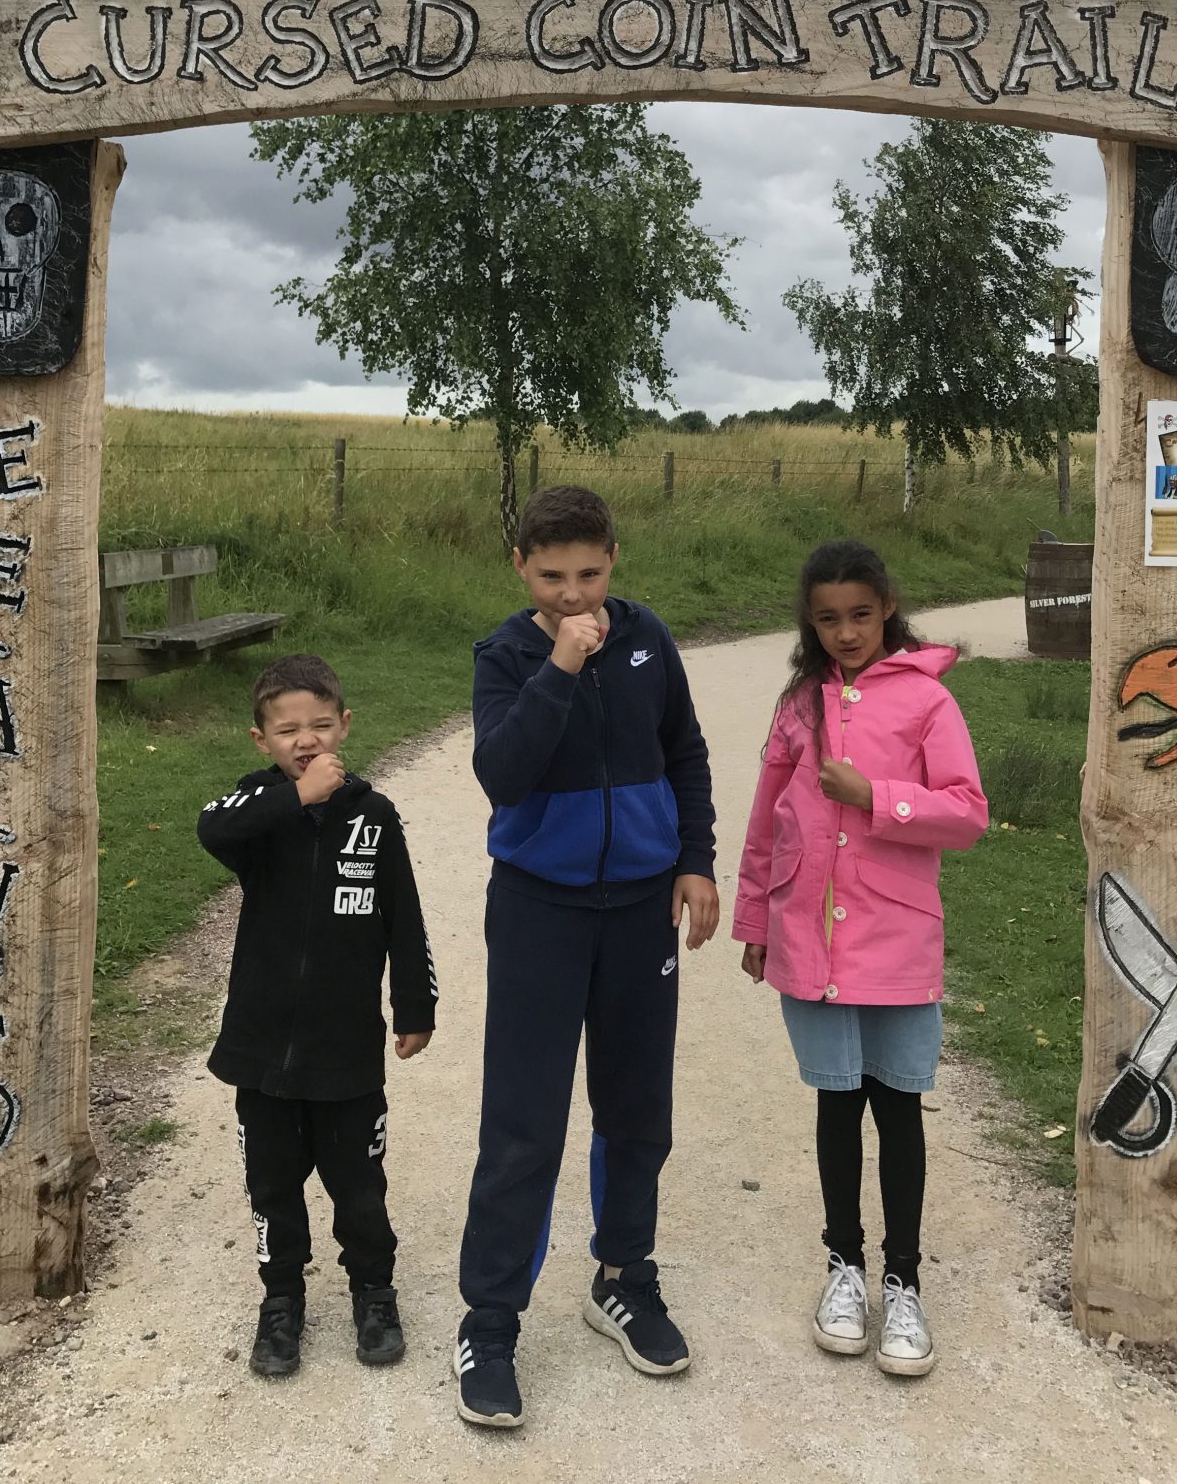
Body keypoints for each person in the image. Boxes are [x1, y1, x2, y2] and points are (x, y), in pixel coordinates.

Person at [454, 484, 718, 1430]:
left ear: (614, 560)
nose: (574, 595)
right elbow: (502, 773)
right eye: (552, 577)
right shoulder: (506, 655)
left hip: (641, 908)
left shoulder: (648, 639)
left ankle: (623, 1278)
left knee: (637, 1108)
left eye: (591, 575)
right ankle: (490, 1321)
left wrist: (695, 861)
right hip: (539, 910)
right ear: (520, 568)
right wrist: (561, 667)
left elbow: (685, 752)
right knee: (523, 1121)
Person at [733, 541, 988, 1379]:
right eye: (827, 619)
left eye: (861, 615)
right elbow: (767, 822)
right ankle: (843, 1266)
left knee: (898, 1108)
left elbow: (967, 813)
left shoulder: (928, 701)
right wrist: (755, 920)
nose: (845, 633)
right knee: (836, 1106)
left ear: (888, 609)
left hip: (896, 942)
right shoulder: (797, 708)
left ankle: (902, 1280)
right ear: (810, 623)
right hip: (809, 938)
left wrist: (876, 798)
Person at [197, 653, 437, 1380]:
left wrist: (415, 1004)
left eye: (321, 725)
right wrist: (296, 797)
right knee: (272, 1189)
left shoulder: (374, 815)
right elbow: (212, 829)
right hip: (261, 1049)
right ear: (261, 740)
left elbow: (404, 918)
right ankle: (281, 1301)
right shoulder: (257, 807)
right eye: (287, 730)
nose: (306, 740)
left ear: (345, 726)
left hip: (345, 1052)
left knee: (359, 1188)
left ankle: (374, 1292)